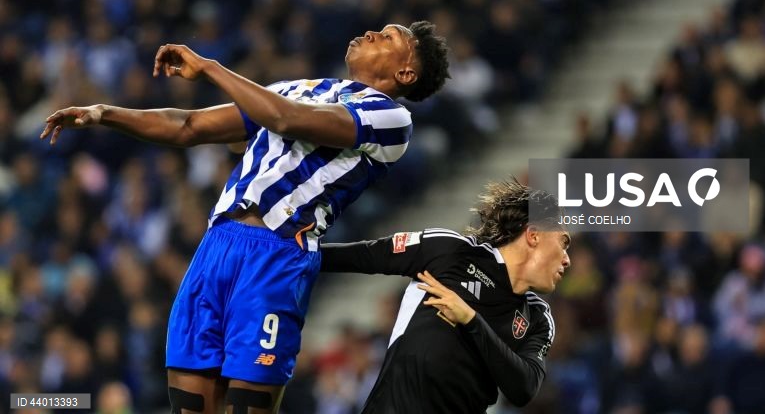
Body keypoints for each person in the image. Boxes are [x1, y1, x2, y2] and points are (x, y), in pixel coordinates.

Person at [40, 21, 450, 414]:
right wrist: (104, 113)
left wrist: (212, 68)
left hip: (277, 255)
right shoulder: (299, 88)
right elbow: (189, 125)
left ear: (405, 73)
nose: (372, 32)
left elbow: (285, 119)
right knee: (190, 404)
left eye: (390, 37)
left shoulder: (391, 119)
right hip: (217, 245)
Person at [320, 178, 570, 413]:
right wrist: (288, 256)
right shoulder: (451, 251)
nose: (567, 259)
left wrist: (471, 319)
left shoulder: (538, 318)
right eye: (563, 242)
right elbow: (362, 256)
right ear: (534, 234)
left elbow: (523, 389)